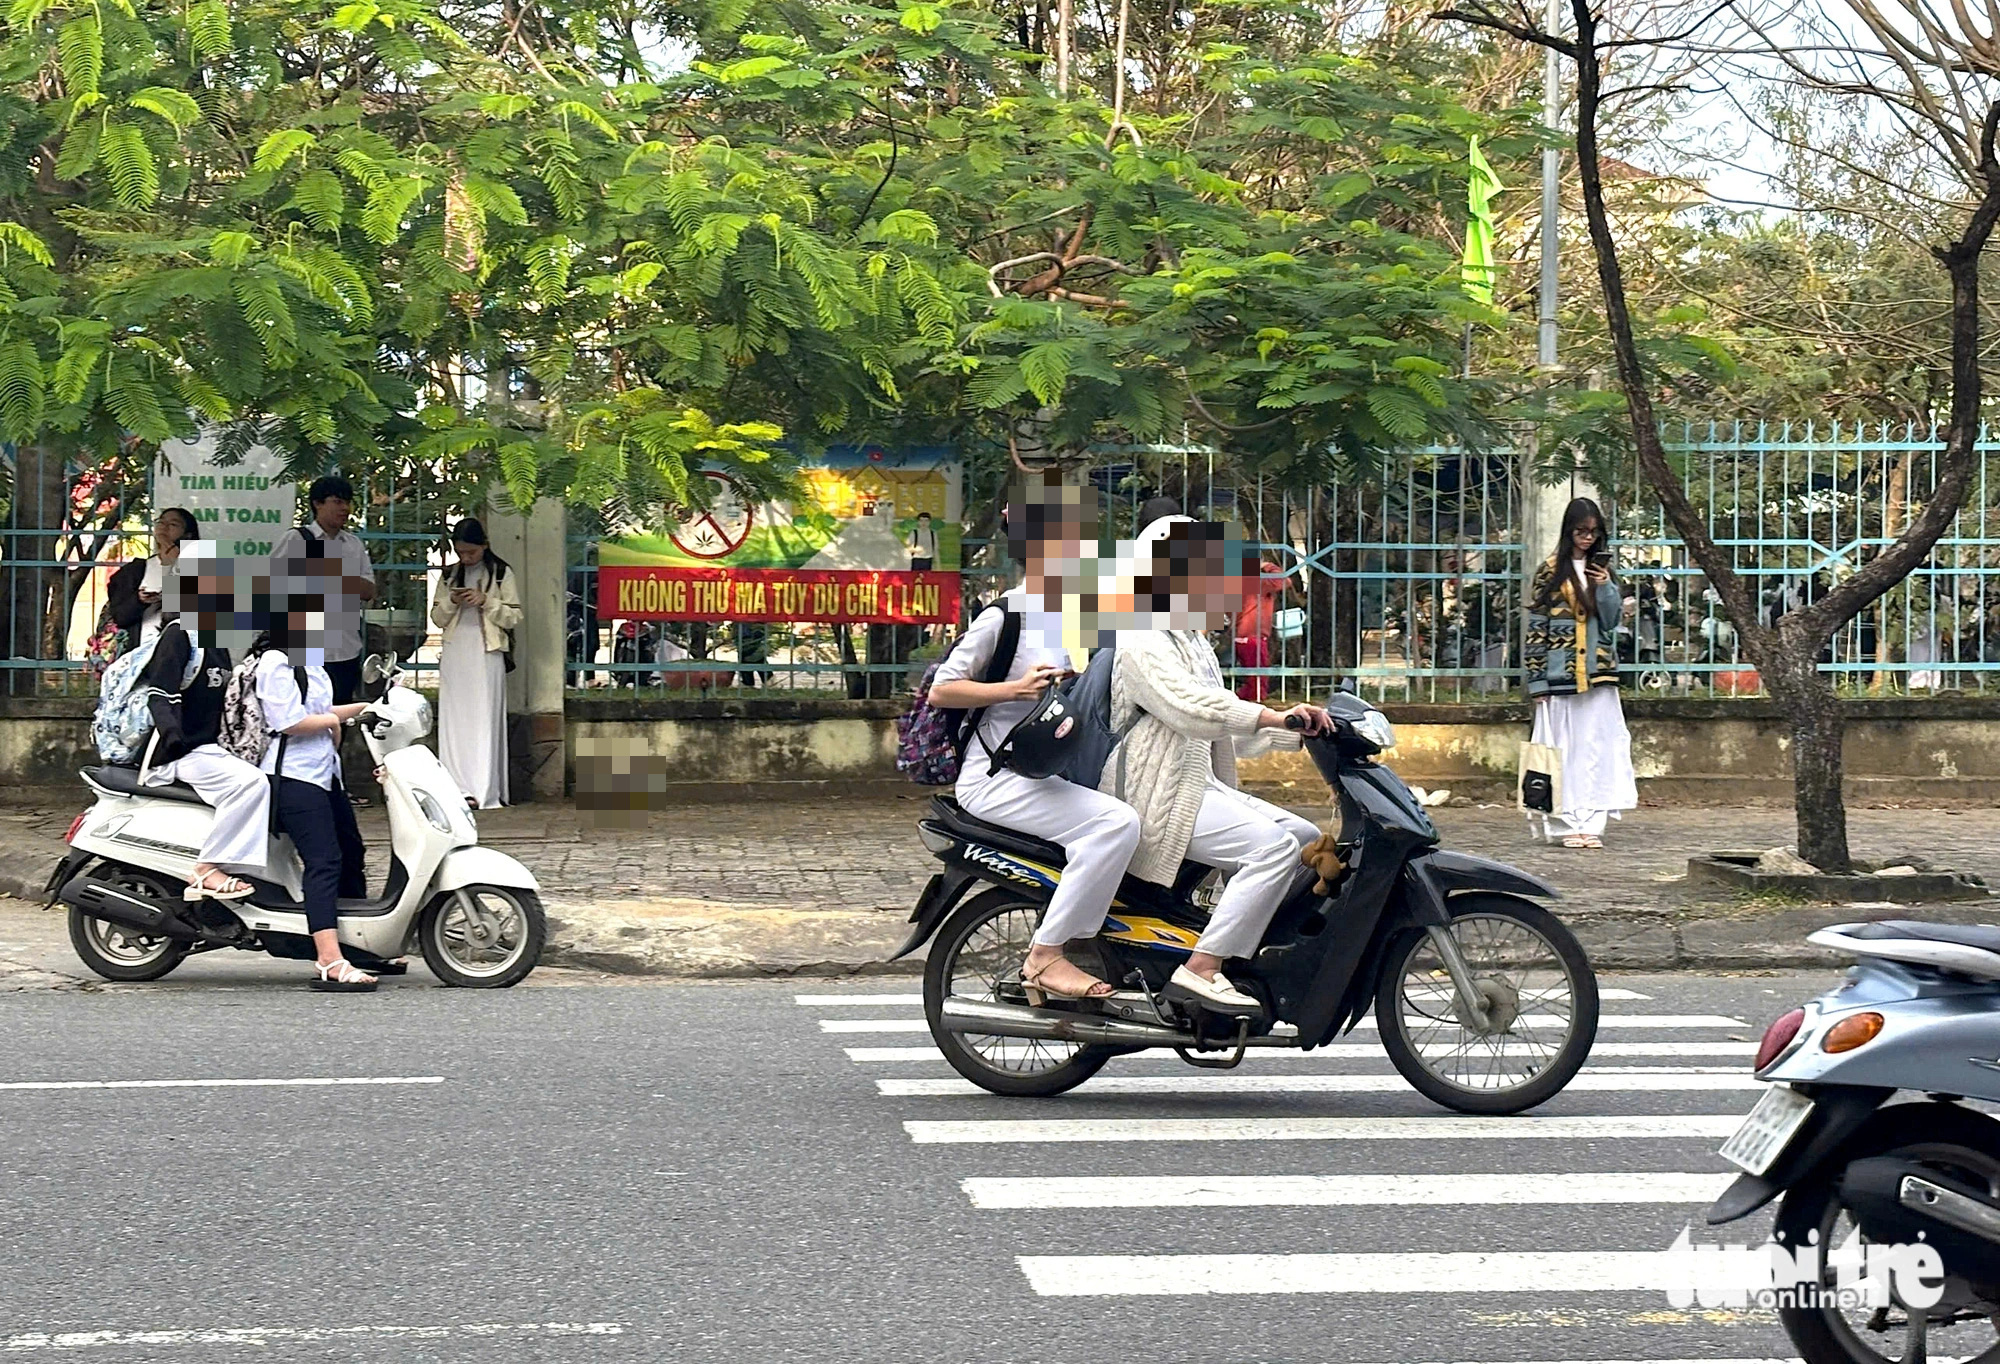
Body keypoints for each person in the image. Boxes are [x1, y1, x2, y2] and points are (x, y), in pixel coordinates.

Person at [927, 476, 1142, 1001]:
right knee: (1116, 824)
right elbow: (941, 691)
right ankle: (1046, 956)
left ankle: (1104, 948)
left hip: (1042, 772)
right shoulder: (1005, 616)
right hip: (996, 779)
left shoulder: (1070, 615)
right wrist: (1014, 689)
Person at [1104, 516, 1327, 1013]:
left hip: (1197, 787)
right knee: (1270, 849)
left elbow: (1223, 725)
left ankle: (1249, 949)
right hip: (1156, 799)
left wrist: (1297, 731)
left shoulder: (1191, 640)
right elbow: (1191, 708)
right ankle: (1202, 968)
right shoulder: (1143, 636)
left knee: (1308, 839)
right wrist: (1269, 714)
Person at [256, 564, 375, 991]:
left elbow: (324, 712)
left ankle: (361, 945)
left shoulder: (311, 660)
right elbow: (287, 722)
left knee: (351, 850)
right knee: (323, 861)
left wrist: (364, 709)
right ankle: (328, 959)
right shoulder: (275, 662)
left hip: (325, 774)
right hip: (292, 777)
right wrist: (330, 720)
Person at [138, 574, 268, 904]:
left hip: (208, 747)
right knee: (251, 784)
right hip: (180, 750)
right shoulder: (179, 636)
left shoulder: (216, 643)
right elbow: (159, 692)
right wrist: (172, 735)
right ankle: (207, 868)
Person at [1523, 497, 1638, 849]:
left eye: (1594, 532)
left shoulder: (1603, 572)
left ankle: (1592, 823)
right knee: (1562, 750)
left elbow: (1612, 620)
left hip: (1599, 674)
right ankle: (1566, 823)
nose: (1587, 538)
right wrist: (1537, 679)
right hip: (1560, 676)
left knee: (1596, 748)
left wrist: (1604, 586)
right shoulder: (1550, 570)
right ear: (1569, 531)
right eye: (1581, 531)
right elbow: (1537, 627)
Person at [430, 518, 520, 809]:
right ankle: (456, 787)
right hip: (456, 651)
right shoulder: (449, 574)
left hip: (487, 650)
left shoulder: (501, 572)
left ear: (484, 546)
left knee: (484, 717)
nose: (466, 558)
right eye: (461, 552)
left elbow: (513, 617)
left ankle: (484, 789)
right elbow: (437, 618)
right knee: (455, 720)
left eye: (471, 552)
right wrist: (452, 602)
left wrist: (485, 600)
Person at [270, 476, 375, 704]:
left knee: (341, 716)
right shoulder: (296, 540)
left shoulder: (353, 545)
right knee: (305, 717)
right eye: (337, 502)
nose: (345, 508)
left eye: (347, 502)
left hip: (346, 647)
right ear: (318, 503)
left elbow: (368, 590)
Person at [107, 507, 199, 645]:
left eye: (173, 524)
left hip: (185, 650)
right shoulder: (135, 570)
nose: (164, 527)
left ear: (188, 535)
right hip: (140, 651)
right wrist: (139, 600)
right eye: (161, 522)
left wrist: (176, 564)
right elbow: (119, 617)